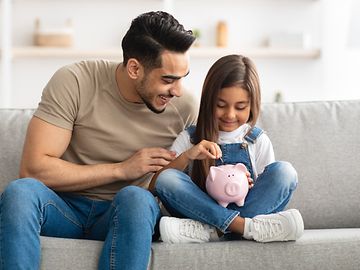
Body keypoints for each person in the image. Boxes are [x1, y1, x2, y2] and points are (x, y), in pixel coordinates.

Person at [0, 11, 197, 270]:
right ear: (134, 68)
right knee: (20, 193)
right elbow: (34, 169)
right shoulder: (75, 82)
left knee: (137, 199)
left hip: (124, 213)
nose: (177, 90)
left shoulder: (186, 108)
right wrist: (121, 169)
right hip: (62, 208)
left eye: (183, 77)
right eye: (167, 79)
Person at [149, 54, 304, 244]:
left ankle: (212, 231)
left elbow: (267, 192)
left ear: (252, 105)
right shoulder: (191, 138)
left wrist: (249, 184)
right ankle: (243, 228)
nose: (230, 115)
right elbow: (156, 185)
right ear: (208, 102)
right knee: (168, 177)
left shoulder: (257, 140)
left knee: (284, 172)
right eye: (221, 105)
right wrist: (189, 156)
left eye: (240, 107)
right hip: (200, 212)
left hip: (228, 213)